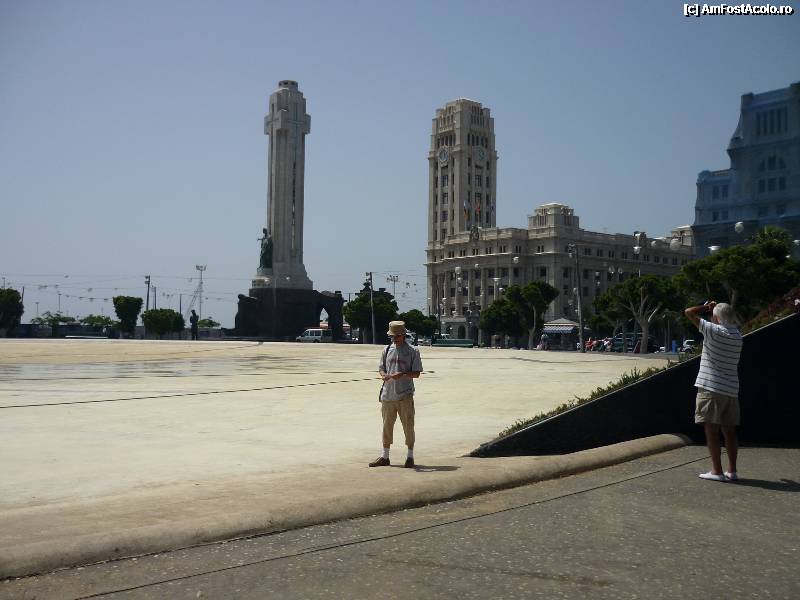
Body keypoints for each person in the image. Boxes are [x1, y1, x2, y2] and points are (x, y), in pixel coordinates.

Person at [684, 301, 743, 482]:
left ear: (716, 318)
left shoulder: (714, 331)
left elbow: (688, 312)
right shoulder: (737, 335)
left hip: (711, 387)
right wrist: (713, 311)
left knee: (711, 431)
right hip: (731, 389)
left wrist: (705, 307)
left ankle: (717, 471)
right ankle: (732, 471)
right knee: (729, 431)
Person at [369, 321, 423, 469]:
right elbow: (381, 368)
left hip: (405, 395)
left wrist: (403, 374)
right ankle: (385, 456)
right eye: (392, 336)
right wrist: (383, 375)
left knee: (408, 426)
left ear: (404, 335)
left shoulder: (413, 351)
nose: (395, 339)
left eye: (397, 336)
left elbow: (417, 373)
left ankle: (410, 456)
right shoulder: (387, 349)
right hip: (388, 395)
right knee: (386, 426)